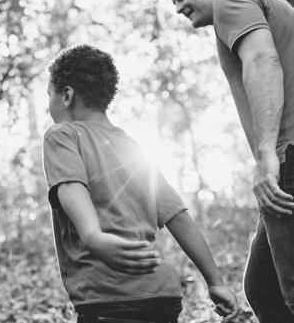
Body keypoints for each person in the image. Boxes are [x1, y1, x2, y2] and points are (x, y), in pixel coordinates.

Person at [42, 45, 239, 323]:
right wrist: (215, 281)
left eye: (48, 94)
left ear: (66, 95)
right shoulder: (135, 149)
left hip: (108, 295)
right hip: (163, 293)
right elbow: (178, 217)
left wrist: (93, 236)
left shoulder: (62, 135)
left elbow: (71, 186)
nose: (47, 103)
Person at [165, 0, 294, 322]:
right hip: (285, 156)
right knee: (263, 288)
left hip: (288, 154)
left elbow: (262, 61)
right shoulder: (257, 3)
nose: (178, 9)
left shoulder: (230, 0)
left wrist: (268, 153)